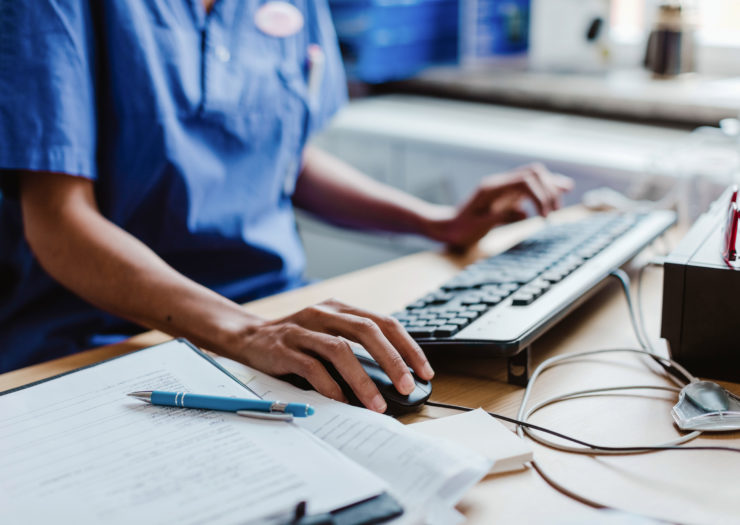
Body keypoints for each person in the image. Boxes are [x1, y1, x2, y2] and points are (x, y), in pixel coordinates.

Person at [0, 1, 572, 412]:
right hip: (102, 339)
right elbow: (58, 220)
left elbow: (282, 157)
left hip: (274, 311)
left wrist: (433, 221)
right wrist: (247, 334)